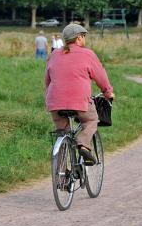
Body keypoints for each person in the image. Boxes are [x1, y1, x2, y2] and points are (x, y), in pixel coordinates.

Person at [45, 23, 115, 164]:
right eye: (84, 36)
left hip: (55, 103)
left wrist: (50, 98)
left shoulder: (54, 54)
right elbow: (101, 76)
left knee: (62, 132)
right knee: (91, 120)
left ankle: (60, 171)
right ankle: (83, 145)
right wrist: (108, 93)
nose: (84, 39)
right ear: (78, 38)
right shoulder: (87, 54)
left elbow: (48, 81)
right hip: (80, 101)